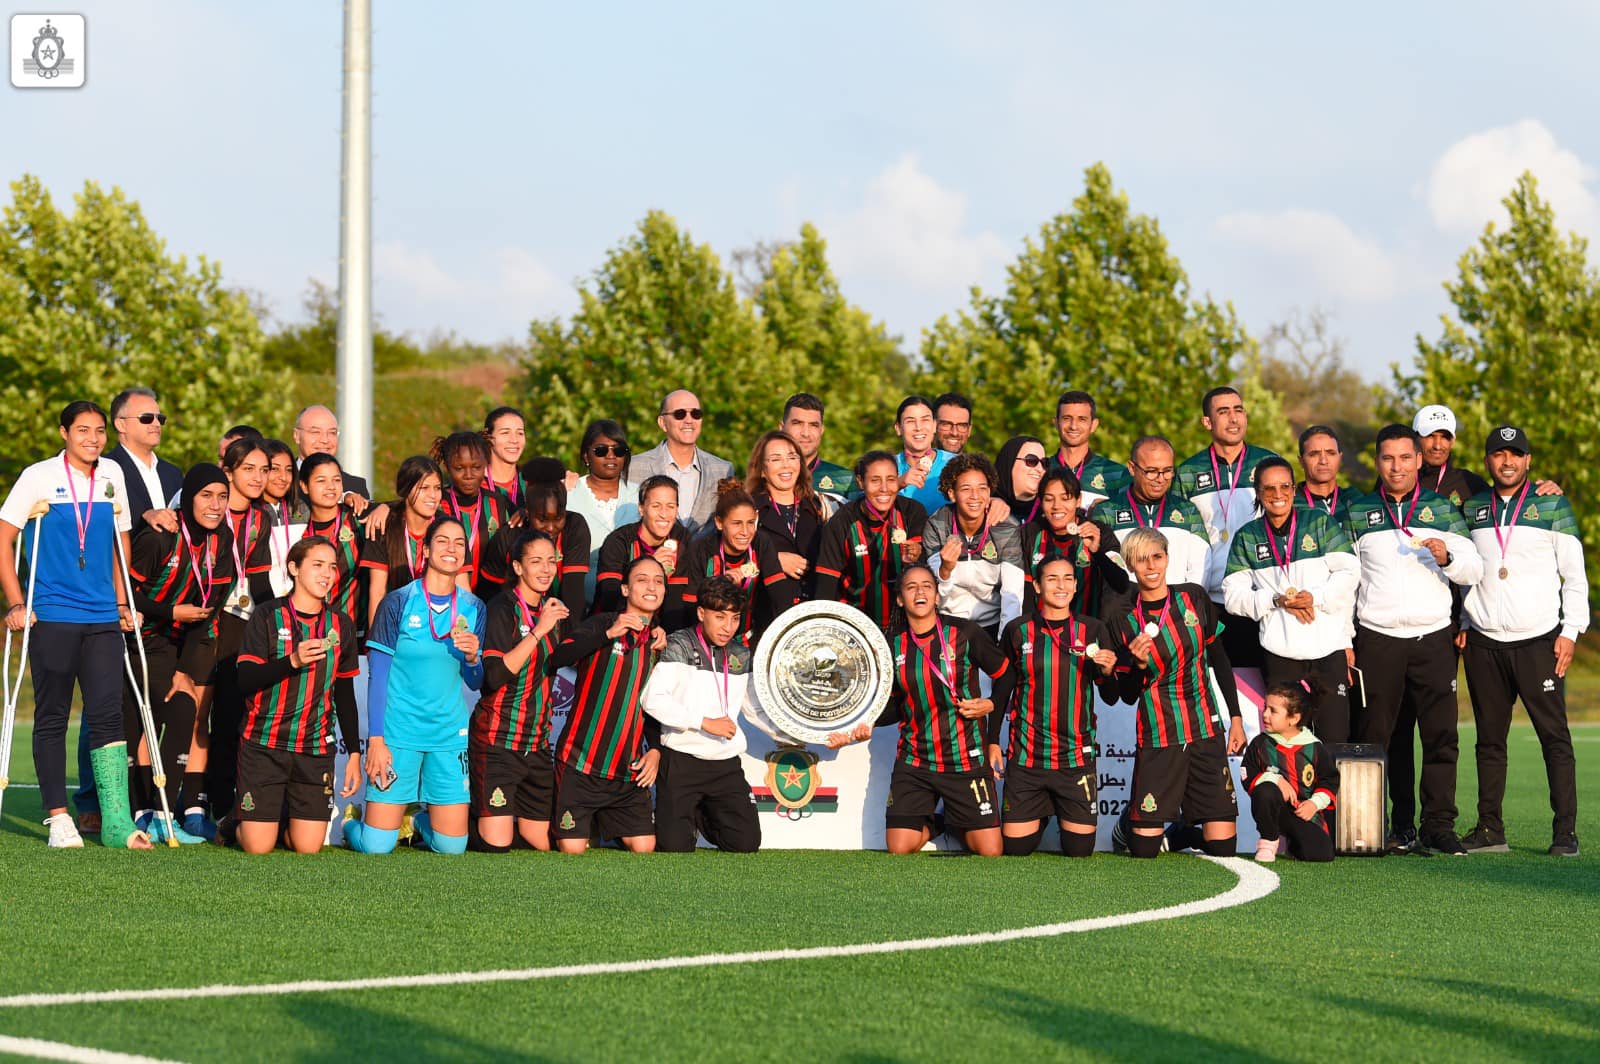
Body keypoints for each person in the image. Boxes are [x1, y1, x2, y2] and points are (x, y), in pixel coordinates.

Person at [0, 401, 150, 849]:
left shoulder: (112, 476)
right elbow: (4, 535)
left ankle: (118, 821)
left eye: (99, 430)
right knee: (53, 715)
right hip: (53, 614)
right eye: (82, 430)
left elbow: (121, 539)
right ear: (64, 432)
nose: (93, 438)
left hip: (102, 616)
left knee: (108, 715)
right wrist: (15, 602)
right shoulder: (39, 476)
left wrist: (124, 602)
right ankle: (59, 818)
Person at [1346, 424, 1482, 856]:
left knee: (1441, 734)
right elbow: (1344, 580)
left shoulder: (1441, 509)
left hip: (1432, 637)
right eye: (1388, 458)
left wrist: (1450, 557)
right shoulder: (1356, 512)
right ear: (1378, 462)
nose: (1397, 466)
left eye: (1406, 458)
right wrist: (1347, 638)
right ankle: (1389, 825)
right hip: (1377, 637)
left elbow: (1474, 569)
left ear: (1419, 460)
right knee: (1381, 735)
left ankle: (1438, 826)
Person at [1459, 426, 1587, 857]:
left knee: (1555, 737)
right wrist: (1463, 618)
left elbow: (1574, 576)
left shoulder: (1553, 503)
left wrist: (1570, 631)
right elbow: (1466, 569)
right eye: (1499, 455)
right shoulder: (1473, 508)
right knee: (1489, 741)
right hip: (1484, 642)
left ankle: (1564, 832)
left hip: (1539, 641)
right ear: (1488, 461)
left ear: (1528, 461)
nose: (1507, 462)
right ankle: (1490, 829)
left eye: (1516, 455)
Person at [345, 516, 486, 855]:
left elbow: (476, 681)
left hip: (447, 735)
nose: (451, 549)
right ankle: (351, 820)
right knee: (376, 846)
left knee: (452, 848)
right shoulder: (397, 602)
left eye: (458, 543)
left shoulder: (474, 608)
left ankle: (421, 821)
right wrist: (376, 741)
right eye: (442, 541)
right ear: (425, 550)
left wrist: (472, 659)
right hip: (398, 734)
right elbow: (377, 675)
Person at [1109, 528, 1245, 859]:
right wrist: (1138, 665)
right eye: (1141, 559)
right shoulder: (1123, 621)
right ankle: (1128, 823)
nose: (1151, 565)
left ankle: (1183, 833)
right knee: (1143, 851)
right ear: (1131, 566)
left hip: (1205, 730)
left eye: (1157, 556)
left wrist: (1237, 718)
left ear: (1167, 558)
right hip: (1159, 735)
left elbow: (1220, 658)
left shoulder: (1195, 598)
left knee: (1223, 846)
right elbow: (1126, 695)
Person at [229, 536, 362, 854]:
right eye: (317, 565)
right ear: (294, 568)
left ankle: (279, 817)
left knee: (308, 848)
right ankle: (239, 823)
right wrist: (292, 662)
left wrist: (355, 754)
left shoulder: (340, 625)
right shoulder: (266, 616)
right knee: (258, 847)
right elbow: (244, 680)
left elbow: (344, 693)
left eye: (332, 567)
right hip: (264, 745)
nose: (327, 574)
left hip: (313, 750)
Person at [123, 464, 233, 844]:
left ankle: (164, 812)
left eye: (222, 496)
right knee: (142, 720)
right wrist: (170, 612)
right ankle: (138, 810)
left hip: (176, 644)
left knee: (185, 708)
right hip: (137, 639)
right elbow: (125, 594)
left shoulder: (223, 542)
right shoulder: (160, 538)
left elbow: (211, 607)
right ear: (187, 499)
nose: (216, 505)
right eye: (206, 496)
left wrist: (185, 669)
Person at [873, 565, 1011, 856]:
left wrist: (992, 703)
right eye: (911, 587)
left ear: (936, 596)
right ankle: (939, 823)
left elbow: (1006, 673)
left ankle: (957, 821)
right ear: (900, 599)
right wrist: (864, 723)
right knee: (900, 848)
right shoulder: (891, 645)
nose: (920, 591)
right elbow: (892, 707)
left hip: (965, 759)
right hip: (916, 761)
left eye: (927, 586)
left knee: (990, 852)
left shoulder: (965, 632)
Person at [1222, 457, 1360, 743]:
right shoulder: (1247, 536)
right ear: (1258, 492)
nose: (1278, 494)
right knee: (1286, 746)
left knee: (1334, 741)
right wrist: (1276, 600)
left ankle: (1329, 791)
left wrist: (1316, 598)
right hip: (1280, 655)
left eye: (1284, 486)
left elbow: (1349, 572)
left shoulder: (1319, 522)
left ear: (1294, 489)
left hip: (1328, 652)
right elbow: (1232, 596)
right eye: (1269, 488)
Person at [993, 558, 1118, 857]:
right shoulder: (1017, 630)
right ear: (1036, 586)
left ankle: (1055, 808)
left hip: (1075, 759)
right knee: (1015, 848)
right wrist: (991, 742)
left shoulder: (1094, 629)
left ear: (1076, 586)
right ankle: (1040, 809)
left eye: (1067, 579)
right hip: (1028, 759)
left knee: (1079, 850)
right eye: (1051, 579)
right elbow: (1002, 691)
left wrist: (1108, 671)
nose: (1060, 585)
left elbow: (1112, 697)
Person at [549, 555, 665, 854]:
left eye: (658, 581)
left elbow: (654, 704)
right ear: (625, 589)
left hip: (625, 772)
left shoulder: (658, 643)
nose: (651, 586)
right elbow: (559, 657)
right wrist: (607, 634)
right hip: (580, 765)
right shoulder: (603, 622)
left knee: (645, 847)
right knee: (572, 850)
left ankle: (604, 824)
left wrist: (655, 748)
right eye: (642, 579)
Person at [642, 575, 764, 853]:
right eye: (720, 617)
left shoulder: (741, 654)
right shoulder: (677, 645)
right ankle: (683, 816)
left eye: (734, 619)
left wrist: (800, 733)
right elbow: (652, 699)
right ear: (701, 613)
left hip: (724, 762)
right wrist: (704, 722)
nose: (728, 627)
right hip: (681, 759)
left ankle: (699, 812)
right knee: (674, 846)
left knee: (745, 844)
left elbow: (756, 711)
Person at [472, 529, 569, 852]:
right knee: (497, 846)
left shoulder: (555, 610)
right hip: (498, 740)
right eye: (536, 561)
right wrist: (539, 631)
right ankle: (437, 824)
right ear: (517, 568)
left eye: (551, 561)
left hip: (538, 744)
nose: (545, 569)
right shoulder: (501, 608)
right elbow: (493, 677)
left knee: (541, 845)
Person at [1176, 386, 1280, 668]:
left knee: (1265, 691)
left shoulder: (1268, 463)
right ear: (1207, 422)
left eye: (1239, 410)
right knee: (1217, 688)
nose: (1234, 419)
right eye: (1223, 412)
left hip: (1262, 596)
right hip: (1211, 598)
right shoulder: (1187, 472)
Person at [202, 438, 278, 822]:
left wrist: (279, 617)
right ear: (228, 471)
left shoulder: (262, 517)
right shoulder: (209, 510)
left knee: (232, 714)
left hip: (240, 624)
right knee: (195, 716)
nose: (258, 477)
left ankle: (219, 803)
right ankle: (181, 801)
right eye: (248, 469)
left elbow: (260, 579)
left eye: (264, 470)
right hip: (202, 622)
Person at [815, 451, 928, 631]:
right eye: (875, 480)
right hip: (854, 626)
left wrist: (917, 554)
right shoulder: (841, 523)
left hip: (904, 626)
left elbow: (926, 572)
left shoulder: (912, 511)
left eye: (891, 479)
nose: (884, 488)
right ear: (861, 482)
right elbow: (825, 587)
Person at [922, 453, 1025, 637]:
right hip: (949, 623)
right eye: (966, 489)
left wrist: (1005, 643)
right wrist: (945, 570)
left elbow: (1012, 595)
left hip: (993, 625)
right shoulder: (937, 524)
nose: (975, 496)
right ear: (952, 493)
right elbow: (937, 596)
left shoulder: (1006, 527)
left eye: (982, 488)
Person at [682, 480, 797, 643]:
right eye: (736, 524)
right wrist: (719, 584)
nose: (745, 532)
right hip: (704, 641)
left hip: (746, 640)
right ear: (719, 523)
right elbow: (689, 607)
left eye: (750, 523)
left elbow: (780, 596)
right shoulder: (701, 548)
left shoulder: (761, 542)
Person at [1090, 436, 1208, 592]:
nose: (1160, 479)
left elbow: (1201, 569)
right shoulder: (1107, 511)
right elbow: (1102, 571)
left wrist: (1183, 604)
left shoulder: (1187, 510)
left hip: (1177, 610)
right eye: (1151, 471)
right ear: (1132, 468)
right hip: (1127, 609)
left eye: (1167, 471)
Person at [1241, 680, 1339, 863]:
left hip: (1303, 811)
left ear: (1294, 718)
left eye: (1273, 711)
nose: (1265, 714)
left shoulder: (1314, 747)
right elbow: (1248, 775)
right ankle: (1268, 840)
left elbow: (1330, 781)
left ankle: (1294, 844)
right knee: (1265, 790)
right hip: (1274, 809)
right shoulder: (1260, 744)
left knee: (1321, 855)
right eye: (1265, 707)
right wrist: (1274, 779)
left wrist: (1313, 804)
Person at [362, 456, 462, 630]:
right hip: (395, 624)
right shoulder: (384, 525)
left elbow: (461, 588)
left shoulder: (448, 528)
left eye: (437, 488)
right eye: (424, 488)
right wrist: (375, 642)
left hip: (438, 626)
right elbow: (377, 592)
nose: (433, 495)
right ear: (406, 489)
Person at [480, 474, 590, 620]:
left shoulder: (574, 526)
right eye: (542, 519)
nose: (551, 528)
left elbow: (573, 593)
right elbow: (490, 592)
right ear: (527, 512)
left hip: (561, 618)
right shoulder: (508, 536)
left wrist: (571, 639)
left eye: (558, 518)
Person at [627, 389, 733, 535]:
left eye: (696, 414)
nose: (689, 420)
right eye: (679, 414)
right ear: (662, 422)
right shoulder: (633, 467)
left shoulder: (723, 470)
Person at [1023, 468, 1124, 620]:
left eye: (1065, 498)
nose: (1057, 506)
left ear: (1078, 500)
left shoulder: (1098, 532)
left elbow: (1121, 584)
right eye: (1049, 499)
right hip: (1041, 633)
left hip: (1088, 634)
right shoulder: (1030, 534)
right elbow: (1023, 592)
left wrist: (1096, 552)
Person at [595, 475, 693, 629]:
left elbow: (676, 602)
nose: (664, 514)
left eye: (670, 506)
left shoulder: (682, 538)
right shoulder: (618, 541)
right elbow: (610, 598)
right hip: (614, 627)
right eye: (656, 506)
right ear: (641, 509)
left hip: (661, 630)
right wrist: (650, 565)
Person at [746, 429, 832, 602]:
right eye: (776, 459)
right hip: (766, 613)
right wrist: (773, 561)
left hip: (813, 609)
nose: (786, 465)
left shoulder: (819, 505)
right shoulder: (749, 509)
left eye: (792, 457)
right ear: (762, 469)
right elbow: (729, 557)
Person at [566, 418, 641, 604]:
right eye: (601, 450)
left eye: (618, 450)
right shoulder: (568, 494)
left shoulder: (641, 495)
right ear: (586, 456)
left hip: (631, 605)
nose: (611, 456)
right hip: (578, 604)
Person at [432, 430, 512, 600]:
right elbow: (406, 504)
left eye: (476, 467)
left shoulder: (499, 503)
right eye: (459, 468)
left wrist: (524, 511)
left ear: (486, 463)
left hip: (491, 600)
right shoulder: (435, 502)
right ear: (447, 466)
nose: (468, 475)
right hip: (443, 602)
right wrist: (384, 509)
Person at [294, 454, 370, 627]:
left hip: (355, 630)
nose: (330, 487)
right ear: (304, 486)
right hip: (307, 631)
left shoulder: (358, 518)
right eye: (321, 481)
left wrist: (383, 509)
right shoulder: (297, 528)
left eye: (336, 480)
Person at [105, 387, 181, 536]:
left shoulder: (173, 473)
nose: (156, 424)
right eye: (146, 418)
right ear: (121, 424)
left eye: (160, 418)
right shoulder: (104, 469)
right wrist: (145, 516)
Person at [1049, 390, 1130, 511]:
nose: (1073, 426)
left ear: (1093, 425)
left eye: (1082, 419)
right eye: (1066, 418)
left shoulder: (1118, 473)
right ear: (1056, 423)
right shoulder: (1041, 469)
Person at [780, 392, 855, 500]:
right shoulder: (763, 477)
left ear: (821, 430)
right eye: (797, 423)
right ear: (781, 428)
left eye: (813, 425)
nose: (805, 433)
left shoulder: (845, 479)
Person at [292, 404, 370, 501]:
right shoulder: (281, 482)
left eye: (332, 433)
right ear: (297, 436)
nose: (325, 440)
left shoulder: (355, 486)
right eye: (315, 432)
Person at [892, 395, 953, 515]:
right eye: (910, 421)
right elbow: (863, 505)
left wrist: (997, 501)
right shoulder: (885, 466)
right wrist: (898, 483)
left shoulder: (955, 463)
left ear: (935, 425)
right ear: (898, 428)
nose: (918, 428)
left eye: (925, 420)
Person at [1295, 425, 1352, 521]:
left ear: (1340, 458)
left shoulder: (1355, 499)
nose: (1323, 461)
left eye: (1331, 453)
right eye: (1314, 454)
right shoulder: (1290, 505)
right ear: (1301, 461)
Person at [994, 435, 1049, 524]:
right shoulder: (983, 507)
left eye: (1044, 463)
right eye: (1031, 460)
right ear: (1009, 463)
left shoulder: (1049, 513)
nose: (1040, 469)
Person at [483, 406, 529, 511]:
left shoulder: (532, 483)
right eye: (505, 433)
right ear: (487, 436)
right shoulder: (472, 484)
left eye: (520, 433)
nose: (514, 440)